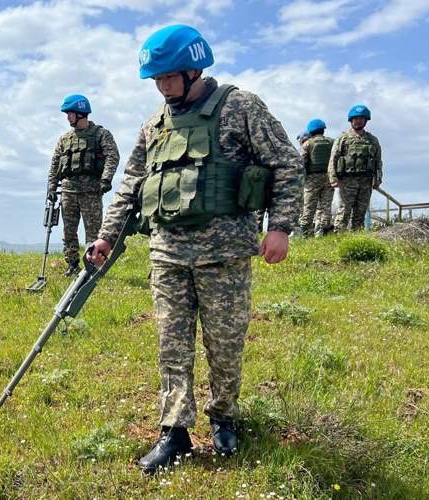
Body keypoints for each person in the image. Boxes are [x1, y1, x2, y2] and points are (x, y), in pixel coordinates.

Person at [87, 25, 301, 474]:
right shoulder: (154, 126)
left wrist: (280, 227)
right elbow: (130, 185)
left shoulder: (240, 107)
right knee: (172, 345)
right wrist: (107, 235)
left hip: (224, 254)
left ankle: (224, 417)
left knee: (224, 345)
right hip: (167, 254)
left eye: (169, 78)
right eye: (156, 80)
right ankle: (175, 432)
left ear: (194, 69)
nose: (163, 88)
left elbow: (285, 161)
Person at [46, 94, 120, 276]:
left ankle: (93, 267)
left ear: (81, 113)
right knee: (68, 232)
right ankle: (72, 264)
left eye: (70, 113)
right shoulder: (65, 139)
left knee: (93, 232)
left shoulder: (100, 134)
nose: (68, 117)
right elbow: (55, 163)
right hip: (68, 191)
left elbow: (113, 156)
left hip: (91, 192)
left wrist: (105, 180)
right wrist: (51, 187)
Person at [329, 104, 383, 231]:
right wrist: (333, 178)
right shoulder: (343, 138)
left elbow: (378, 161)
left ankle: (356, 236)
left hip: (366, 180)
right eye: (356, 119)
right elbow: (333, 158)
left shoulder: (372, 140)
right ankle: (339, 237)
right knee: (344, 210)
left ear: (365, 121)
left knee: (360, 211)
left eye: (361, 119)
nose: (358, 121)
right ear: (351, 120)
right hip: (347, 180)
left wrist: (378, 178)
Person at [299, 119, 335, 236]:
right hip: (328, 178)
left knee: (309, 207)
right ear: (323, 129)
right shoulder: (332, 142)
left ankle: (305, 233)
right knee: (325, 206)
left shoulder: (307, 144)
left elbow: (301, 163)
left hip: (311, 180)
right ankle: (322, 231)